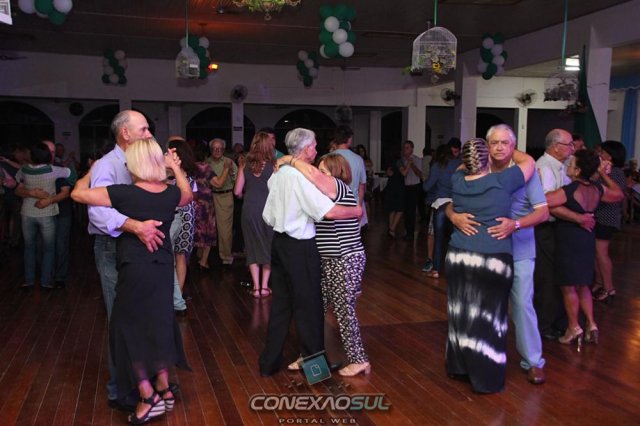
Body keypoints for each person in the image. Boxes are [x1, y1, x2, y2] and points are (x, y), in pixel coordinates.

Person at [73, 138, 192, 424]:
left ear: (134, 163)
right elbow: (187, 195)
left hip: (135, 271)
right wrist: (175, 168)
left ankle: (147, 395)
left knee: (126, 330)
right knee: (158, 326)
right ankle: (164, 388)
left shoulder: (125, 194)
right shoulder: (169, 194)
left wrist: (92, 170)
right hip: (162, 270)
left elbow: (77, 194)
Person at [447, 125, 549, 385]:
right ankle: (480, 361)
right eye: (494, 143)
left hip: (519, 249)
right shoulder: (479, 170)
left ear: (514, 147)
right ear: (486, 147)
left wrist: (516, 224)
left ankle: (533, 361)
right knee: (482, 309)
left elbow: (543, 213)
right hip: (488, 252)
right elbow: (452, 202)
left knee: (521, 305)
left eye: (506, 143)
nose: (500, 147)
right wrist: (454, 216)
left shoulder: (528, 176)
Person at [259, 128, 362, 377]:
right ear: (306, 149)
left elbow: (268, 214)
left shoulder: (279, 174)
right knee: (309, 308)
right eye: (314, 146)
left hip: (279, 244)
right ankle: (316, 370)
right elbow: (328, 212)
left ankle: (269, 363)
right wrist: (356, 211)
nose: (316, 150)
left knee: (282, 306)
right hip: (300, 247)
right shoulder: (299, 177)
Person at [87, 109, 164, 410]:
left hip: (136, 247)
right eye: (143, 129)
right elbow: (97, 211)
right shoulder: (107, 165)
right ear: (125, 133)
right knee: (120, 319)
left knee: (141, 317)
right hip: (112, 246)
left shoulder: (140, 162)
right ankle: (121, 389)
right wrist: (134, 226)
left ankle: (144, 382)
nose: (149, 134)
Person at [279, 153, 370, 376]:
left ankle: (359, 360)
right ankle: (309, 355)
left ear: (335, 173)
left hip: (345, 258)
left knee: (343, 310)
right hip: (329, 260)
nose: (317, 175)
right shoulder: (321, 197)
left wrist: (290, 159)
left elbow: (312, 176)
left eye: (323, 171)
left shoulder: (340, 188)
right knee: (314, 309)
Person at [546, 149, 624, 349]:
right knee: (583, 285)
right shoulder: (598, 189)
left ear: (578, 170)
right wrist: (602, 173)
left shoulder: (569, 190)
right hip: (588, 238)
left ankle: (573, 327)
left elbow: (544, 202)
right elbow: (618, 194)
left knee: (569, 287)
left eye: (572, 164)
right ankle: (591, 324)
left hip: (570, 239)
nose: (568, 166)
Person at [533, 129, 595, 341]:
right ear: (555, 147)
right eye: (569, 145)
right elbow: (546, 203)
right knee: (548, 278)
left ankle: (564, 323)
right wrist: (578, 218)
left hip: (563, 230)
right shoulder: (544, 167)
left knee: (563, 278)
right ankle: (546, 325)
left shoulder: (563, 166)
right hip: (547, 228)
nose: (572, 148)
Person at [15, 141, 72, 289]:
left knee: (29, 247)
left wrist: (31, 191)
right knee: (49, 248)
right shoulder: (53, 170)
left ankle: (29, 280)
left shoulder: (24, 169)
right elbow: (70, 173)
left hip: (27, 212)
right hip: (46, 213)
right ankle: (45, 281)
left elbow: (17, 183)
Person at [233, 131, 275, 298]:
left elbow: (237, 191)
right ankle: (265, 287)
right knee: (268, 245)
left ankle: (256, 288)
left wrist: (249, 195)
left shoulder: (244, 164)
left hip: (249, 209)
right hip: (268, 210)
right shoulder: (273, 166)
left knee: (251, 246)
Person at [592, 141, 627, 303]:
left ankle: (609, 288)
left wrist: (602, 174)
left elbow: (617, 193)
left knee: (602, 253)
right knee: (597, 253)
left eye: (603, 152)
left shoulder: (616, 172)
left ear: (610, 155)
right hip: (599, 215)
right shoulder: (606, 169)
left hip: (607, 217)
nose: (600, 154)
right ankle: (599, 283)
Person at [421, 144, 461, 278]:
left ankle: (436, 269)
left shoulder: (438, 166)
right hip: (456, 205)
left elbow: (427, 187)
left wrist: (425, 181)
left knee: (438, 238)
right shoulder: (458, 164)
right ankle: (456, 268)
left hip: (440, 205)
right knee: (455, 238)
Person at [167, 137, 197, 314]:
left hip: (173, 214)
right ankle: (178, 294)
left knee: (170, 255)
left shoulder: (167, 177)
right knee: (181, 256)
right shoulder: (189, 178)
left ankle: (174, 296)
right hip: (188, 216)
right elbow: (194, 197)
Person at [209, 138, 237, 265]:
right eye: (215, 148)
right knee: (207, 227)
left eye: (220, 149)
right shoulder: (207, 163)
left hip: (225, 196)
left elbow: (237, 179)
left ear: (223, 150)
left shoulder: (229, 162)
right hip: (209, 197)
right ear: (211, 149)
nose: (217, 151)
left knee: (224, 230)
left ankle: (226, 257)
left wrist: (231, 174)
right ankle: (203, 257)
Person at [333, 125, 368, 228]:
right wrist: (359, 206)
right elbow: (362, 186)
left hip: (333, 205)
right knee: (352, 235)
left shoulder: (327, 158)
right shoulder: (358, 159)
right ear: (349, 139)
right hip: (353, 204)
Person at [399, 140, 424, 241]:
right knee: (405, 211)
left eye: (407, 148)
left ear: (412, 149)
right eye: (404, 148)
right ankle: (407, 232)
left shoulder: (417, 159)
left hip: (414, 187)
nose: (405, 150)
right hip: (405, 187)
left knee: (412, 211)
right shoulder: (402, 160)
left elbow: (420, 174)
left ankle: (411, 233)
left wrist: (412, 164)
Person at [383, 155, 405, 238]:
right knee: (400, 209)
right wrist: (409, 164)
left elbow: (388, 173)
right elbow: (404, 173)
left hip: (391, 187)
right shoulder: (399, 162)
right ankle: (392, 228)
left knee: (392, 209)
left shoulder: (390, 163)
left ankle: (391, 229)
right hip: (398, 188)